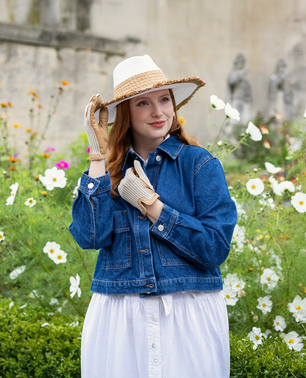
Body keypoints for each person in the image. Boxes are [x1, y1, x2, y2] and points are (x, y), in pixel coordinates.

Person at [69, 54, 237, 378]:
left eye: (164, 100)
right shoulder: (109, 175)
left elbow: (215, 248)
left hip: (189, 314)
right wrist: (97, 156)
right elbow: (90, 237)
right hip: (120, 317)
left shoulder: (199, 165)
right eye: (143, 104)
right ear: (126, 114)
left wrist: (153, 208)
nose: (158, 112)